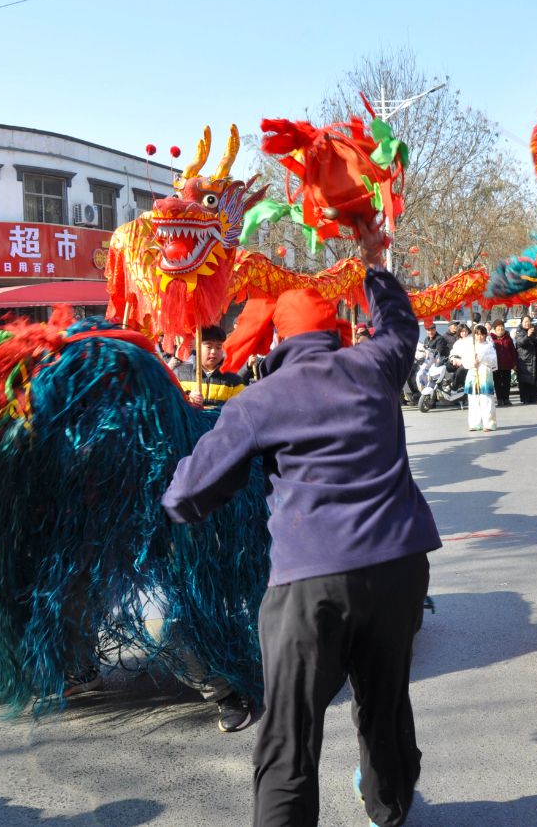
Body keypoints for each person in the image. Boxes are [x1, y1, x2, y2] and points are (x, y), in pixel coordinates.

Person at [162, 217, 439, 827]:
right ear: (336, 332)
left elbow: (189, 493)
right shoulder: (376, 366)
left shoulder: (262, 400)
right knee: (384, 703)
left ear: (274, 342)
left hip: (312, 584)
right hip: (399, 568)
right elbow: (401, 322)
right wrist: (373, 261)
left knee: (290, 729)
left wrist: (179, 497)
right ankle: (389, 811)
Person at [174, 326, 246, 408]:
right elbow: (170, 401)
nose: (213, 351)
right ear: (197, 346)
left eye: (218, 347)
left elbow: (241, 408)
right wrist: (188, 397)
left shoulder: (233, 380)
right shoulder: (179, 374)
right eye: (209, 347)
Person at [450, 324, 498, 431]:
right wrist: (472, 362)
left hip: (485, 373)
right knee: (473, 399)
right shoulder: (470, 347)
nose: (479, 337)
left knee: (486, 398)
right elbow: (465, 361)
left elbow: (493, 361)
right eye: (477, 334)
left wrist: (481, 359)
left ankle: (489, 424)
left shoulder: (489, 346)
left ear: (485, 335)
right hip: (472, 373)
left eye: (482, 334)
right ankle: (475, 423)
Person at [514, 315, 537, 404]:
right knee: (524, 380)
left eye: (528, 321)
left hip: (534, 359)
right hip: (524, 359)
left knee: (534, 379)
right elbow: (521, 343)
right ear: (522, 323)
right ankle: (525, 398)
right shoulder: (519, 331)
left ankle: (534, 398)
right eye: (525, 321)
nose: (527, 323)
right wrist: (528, 335)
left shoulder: (534, 330)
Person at [490, 320, 517, 407]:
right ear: (495, 329)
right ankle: (499, 399)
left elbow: (513, 351)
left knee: (507, 382)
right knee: (497, 383)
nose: (501, 330)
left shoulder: (508, 338)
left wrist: (514, 363)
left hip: (507, 364)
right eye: (498, 328)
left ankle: (506, 398)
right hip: (496, 365)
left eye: (502, 328)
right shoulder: (491, 339)